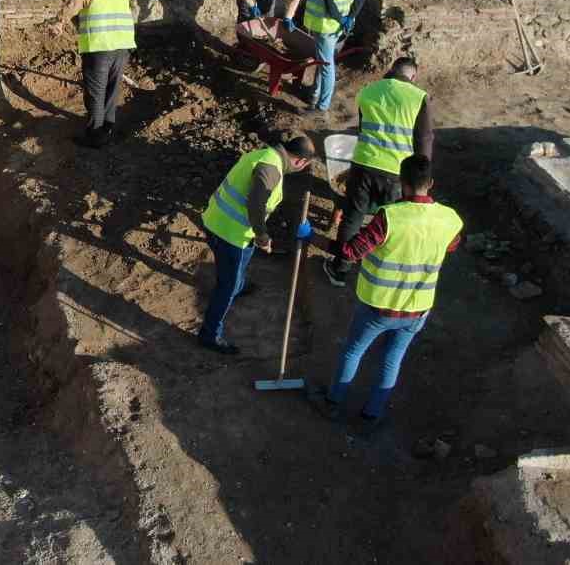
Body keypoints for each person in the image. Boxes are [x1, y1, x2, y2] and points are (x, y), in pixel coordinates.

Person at [307, 154, 462, 425]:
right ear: (431, 183)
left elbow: (350, 252)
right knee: (392, 359)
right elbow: (452, 245)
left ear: (402, 182)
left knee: (353, 351)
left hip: (380, 306)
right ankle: (371, 416)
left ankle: (333, 403)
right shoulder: (449, 218)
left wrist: (311, 236)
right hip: (418, 309)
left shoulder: (389, 218)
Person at [196, 135, 316, 354]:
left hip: (216, 220)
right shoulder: (270, 169)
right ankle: (209, 334)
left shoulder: (264, 154)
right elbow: (256, 204)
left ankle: (238, 286)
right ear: (300, 161)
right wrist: (262, 236)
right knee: (227, 285)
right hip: (231, 235)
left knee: (235, 273)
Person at [323, 56, 433, 287]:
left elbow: (363, 129)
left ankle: (340, 269)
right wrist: (422, 174)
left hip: (363, 164)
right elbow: (424, 138)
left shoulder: (368, 91)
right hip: (397, 172)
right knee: (391, 224)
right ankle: (380, 274)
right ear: (412, 76)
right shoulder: (419, 97)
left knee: (353, 218)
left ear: (391, 70)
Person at [47, 0, 137, 148]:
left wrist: (58, 23)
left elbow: (72, 6)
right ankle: (108, 129)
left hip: (99, 49)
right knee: (112, 90)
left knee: (96, 93)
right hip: (122, 49)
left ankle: (95, 137)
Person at [301, 0, 367, 113]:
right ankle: (315, 93)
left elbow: (330, 5)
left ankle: (321, 106)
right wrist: (350, 17)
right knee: (324, 60)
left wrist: (341, 20)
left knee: (326, 65)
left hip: (327, 27)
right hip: (343, 25)